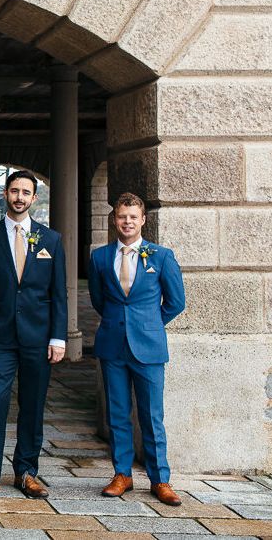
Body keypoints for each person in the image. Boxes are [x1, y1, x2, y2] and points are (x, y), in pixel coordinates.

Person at [0, 170, 67, 503]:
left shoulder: (50, 240)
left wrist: (58, 337)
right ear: (5, 194)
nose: (19, 197)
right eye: (14, 191)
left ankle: (27, 472)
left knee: (33, 406)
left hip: (38, 336)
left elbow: (58, 294)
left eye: (26, 192)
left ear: (33, 198)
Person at [88, 192, 185, 506]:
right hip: (112, 345)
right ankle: (122, 474)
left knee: (152, 415)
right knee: (117, 414)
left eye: (133, 217)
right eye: (121, 216)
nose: (127, 222)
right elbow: (98, 300)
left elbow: (176, 302)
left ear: (143, 220)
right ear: (114, 219)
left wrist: (150, 325)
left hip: (149, 347)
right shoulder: (100, 257)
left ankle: (160, 480)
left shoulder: (161, 256)